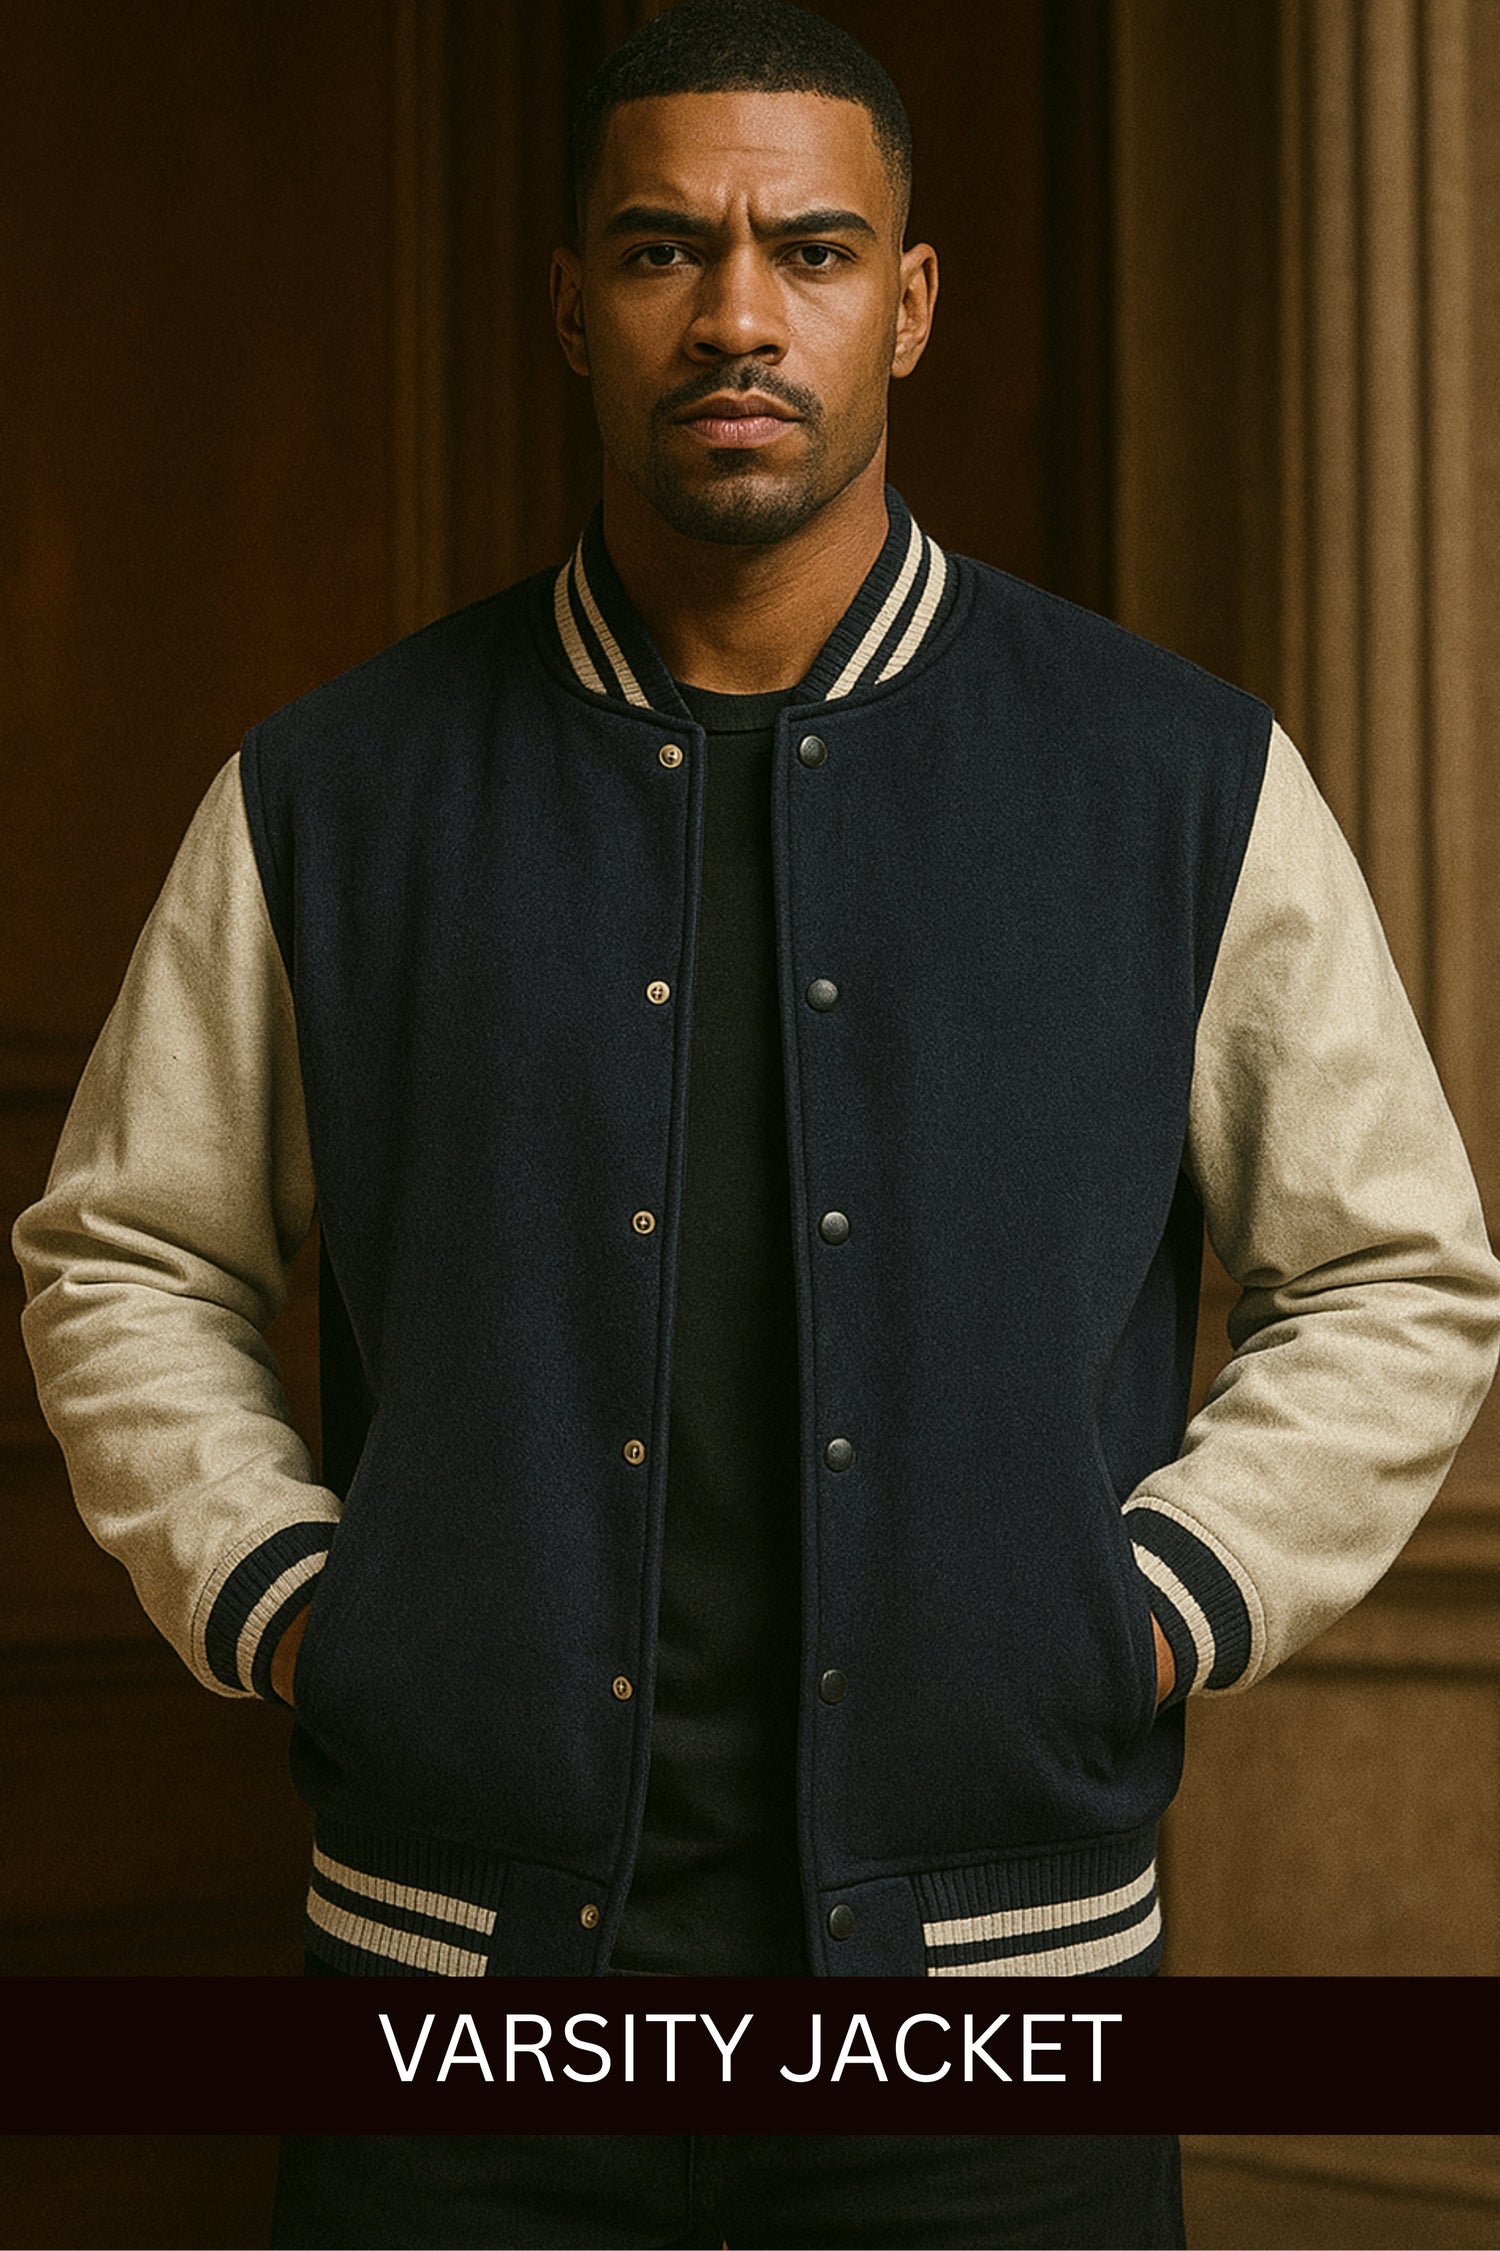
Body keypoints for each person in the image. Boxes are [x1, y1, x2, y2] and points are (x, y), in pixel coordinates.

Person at [14, 2, 1500, 2244]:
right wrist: (303, 1595)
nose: (736, 313)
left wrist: (1147, 1610)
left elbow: (1398, 1269)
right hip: (460, 2027)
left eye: (809, 249)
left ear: (907, 305)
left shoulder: (1175, 785)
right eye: (661, 249)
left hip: (1001, 2035)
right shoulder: (332, 795)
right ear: (570, 304)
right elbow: (129, 1250)